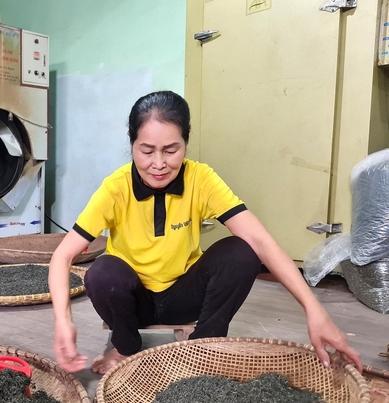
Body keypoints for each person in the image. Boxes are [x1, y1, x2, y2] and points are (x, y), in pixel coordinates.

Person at [48, 90, 362, 375]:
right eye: (146, 151)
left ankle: (202, 348)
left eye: (172, 150)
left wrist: (314, 310)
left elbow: (260, 240)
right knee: (102, 272)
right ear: (131, 144)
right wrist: (63, 321)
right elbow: (63, 256)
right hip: (133, 300)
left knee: (241, 252)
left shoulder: (201, 179)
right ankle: (125, 346)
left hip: (185, 294)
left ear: (186, 143)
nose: (158, 164)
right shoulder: (115, 188)